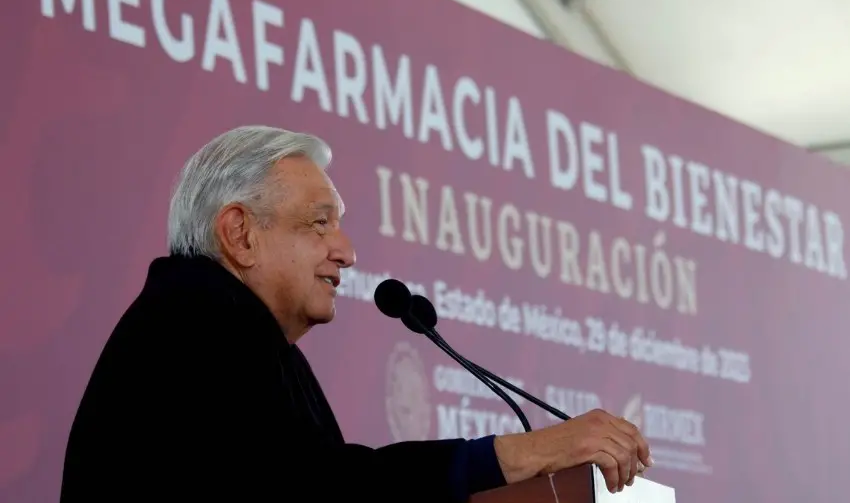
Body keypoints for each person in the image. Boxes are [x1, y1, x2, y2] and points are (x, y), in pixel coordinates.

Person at [59, 126, 652, 502]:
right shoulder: (195, 324)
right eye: (319, 222)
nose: (346, 249)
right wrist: (528, 452)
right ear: (240, 234)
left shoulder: (227, 324)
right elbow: (323, 492)